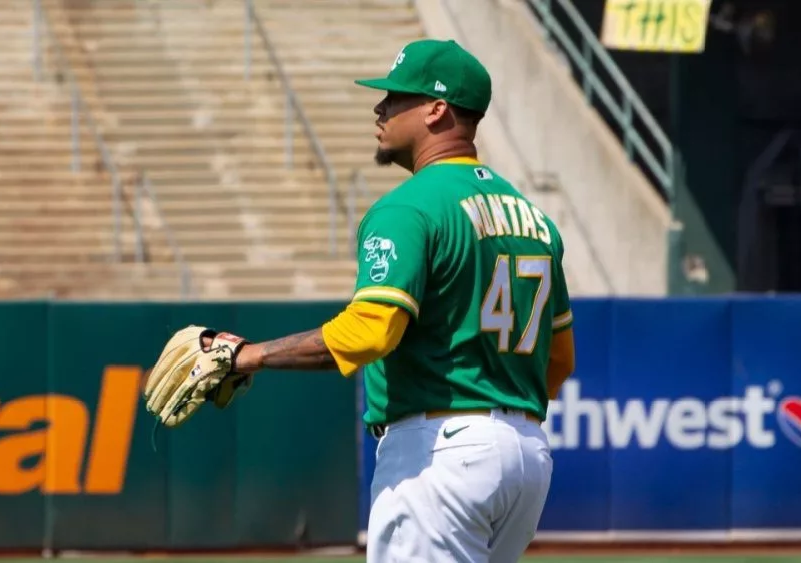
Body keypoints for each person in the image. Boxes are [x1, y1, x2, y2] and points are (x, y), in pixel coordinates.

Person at [207, 38, 575, 562]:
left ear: (436, 110)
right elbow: (558, 363)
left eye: (395, 97)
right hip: (526, 456)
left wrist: (251, 355)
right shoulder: (533, 219)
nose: (379, 108)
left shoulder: (409, 208)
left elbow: (372, 331)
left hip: (439, 451)